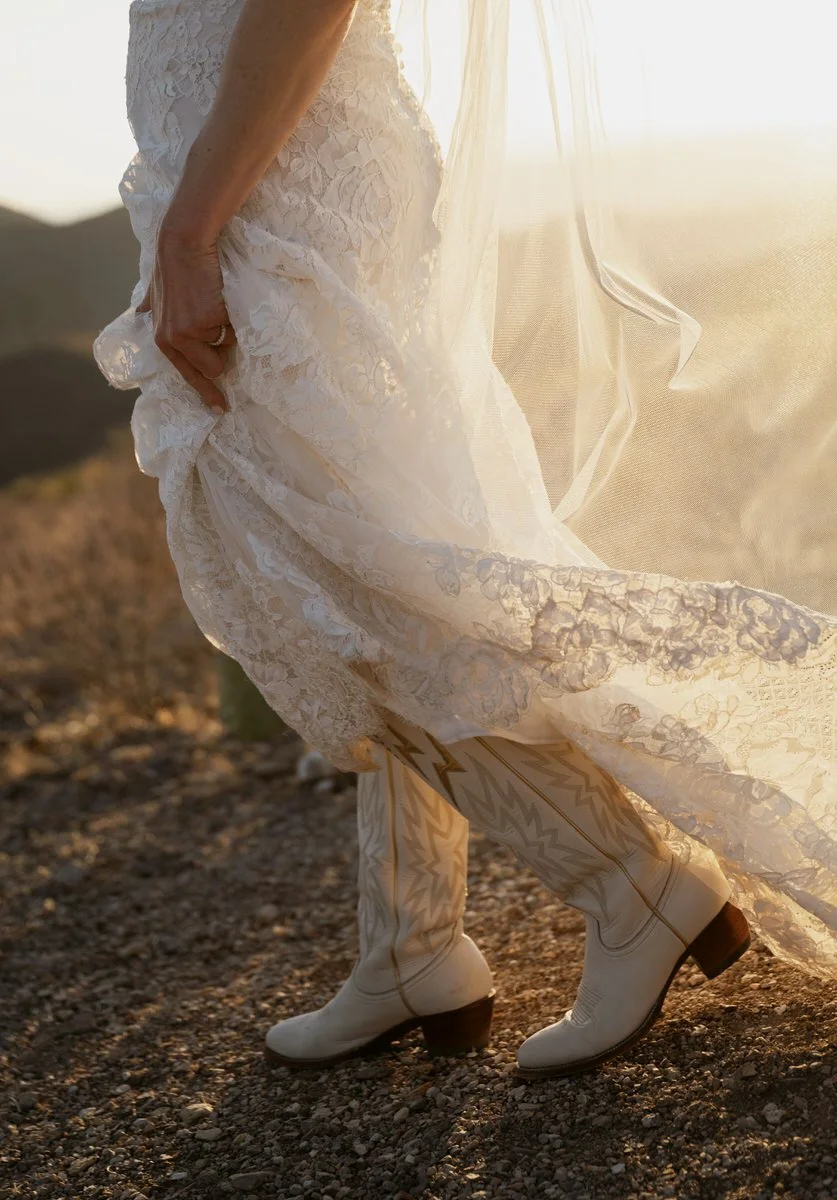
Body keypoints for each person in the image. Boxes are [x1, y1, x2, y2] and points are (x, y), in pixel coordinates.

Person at [94, 0, 837, 1080]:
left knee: (333, 559)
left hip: (271, 186)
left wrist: (192, 228)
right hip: (268, 168)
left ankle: (629, 883)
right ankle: (412, 946)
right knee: (371, 552)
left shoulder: (222, 212)